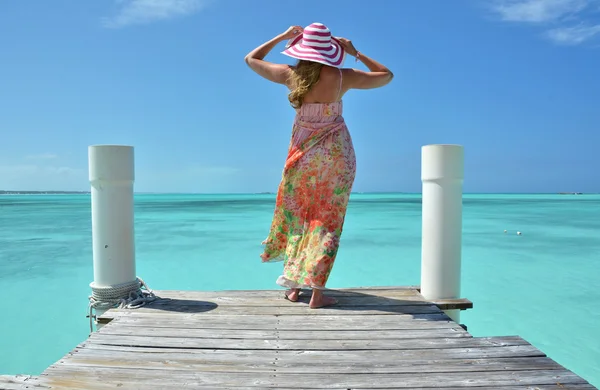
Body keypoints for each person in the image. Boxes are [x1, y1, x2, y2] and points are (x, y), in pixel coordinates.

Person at [244, 23, 393, 308]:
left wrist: (281, 36)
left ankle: (294, 288)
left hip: (302, 158)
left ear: (301, 48)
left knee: (300, 216)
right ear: (330, 51)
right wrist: (355, 52)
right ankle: (317, 294)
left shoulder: (291, 75)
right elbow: (386, 76)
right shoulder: (341, 77)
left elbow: (251, 59)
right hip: (337, 157)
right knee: (328, 221)